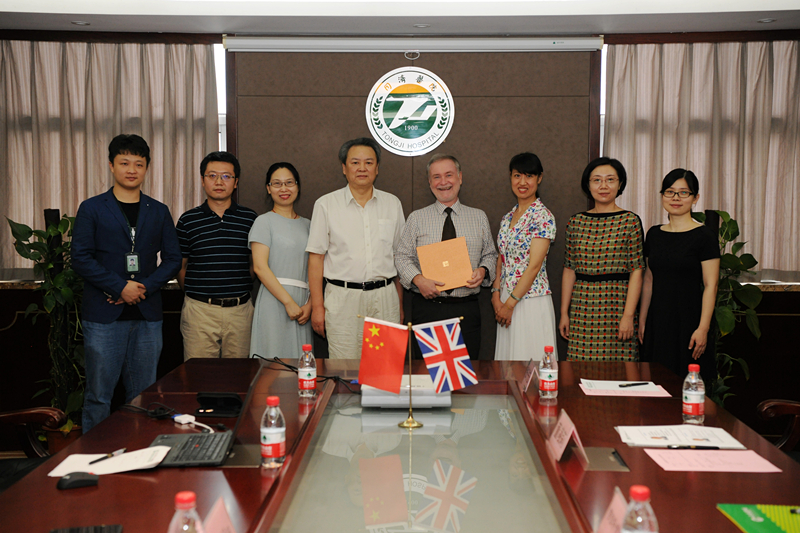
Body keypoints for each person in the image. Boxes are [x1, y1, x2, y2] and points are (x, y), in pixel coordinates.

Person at [72, 134, 182, 433]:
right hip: (103, 316)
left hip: (147, 316)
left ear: (146, 168)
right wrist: (119, 287)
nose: (131, 169)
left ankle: (141, 452)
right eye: (124, 163)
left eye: (138, 164)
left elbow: (173, 259)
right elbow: (80, 258)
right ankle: (94, 455)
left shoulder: (158, 210)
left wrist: (142, 287)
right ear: (111, 165)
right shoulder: (92, 208)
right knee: (99, 396)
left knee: (144, 395)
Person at [306, 138, 405, 359]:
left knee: (384, 366)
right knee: (344, 367)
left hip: (384, 298)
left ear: (377, 168)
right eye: (355, 162)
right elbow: (315, 259)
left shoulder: (392, 204)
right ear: (344, 167)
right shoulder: (325, 205)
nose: (362, 168)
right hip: (343, 300)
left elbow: (399, 257)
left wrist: (398, 303)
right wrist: (318, 307)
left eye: (369, 162)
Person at [395, 154, 497, 359]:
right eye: (436, 177)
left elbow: (490, 255)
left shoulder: (478, 217)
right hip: (428, 310)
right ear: (429, 182)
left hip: (466, 310)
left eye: (449, 175)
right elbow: (402, 256)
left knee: (464, 375)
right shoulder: (416, 218)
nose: (443, 182)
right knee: (428, 374)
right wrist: (418, 280)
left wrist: (483, 270)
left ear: (460, 177)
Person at [559, 157, 644, 362]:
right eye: (597, 180)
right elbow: (569, 270)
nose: (603, 186)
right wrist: (564, 313)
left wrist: (628, 315)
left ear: (620, 184)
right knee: (579, 370)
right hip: (582, 309)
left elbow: (637, 270)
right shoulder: (576, 222)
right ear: (588, 185)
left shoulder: (630, 221)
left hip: (617, 307)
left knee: (620, 371)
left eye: (610, 180)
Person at [639, 169, 720, 384]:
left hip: (689, 321)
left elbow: (711, 285)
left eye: (684, 192)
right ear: (662, 196)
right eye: (670, 192)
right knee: (655, 383)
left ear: (695, 198)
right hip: (658, 320)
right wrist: (643, 319)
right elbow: (649, 279)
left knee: (687, 384)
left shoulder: (705, 236)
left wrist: (703, 328)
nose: (676, 198)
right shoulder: (654, 234)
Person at [176, 151, 257, 360]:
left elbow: (254, 265)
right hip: (200, 311)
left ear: (236, 182)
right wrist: (200, 294)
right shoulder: (187, 220)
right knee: (199, 375)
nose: (219, 182)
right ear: (203, 180)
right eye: (212, 175)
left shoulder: (250, 219)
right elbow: (180, 266)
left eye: (226, 176)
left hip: (240, 312)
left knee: (240, 375)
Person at [492, 153, 558, 361]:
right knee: (508, 367)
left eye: (529, 176)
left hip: (530, 301)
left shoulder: (543, 216)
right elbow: (502, 257)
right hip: (505, 300)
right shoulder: (507, 217)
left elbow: (534, 266)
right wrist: (496, 294)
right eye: (517, 175)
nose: (522, 182)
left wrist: (509, 304)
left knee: (530, 364)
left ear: (539, 178)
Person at [249, 163, 312, 359]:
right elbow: (260, 267)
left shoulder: (309, 225)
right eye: (277, 184)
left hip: (303, 305)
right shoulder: (263, 222)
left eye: (289, 183)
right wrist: (288, 302)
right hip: (274, 301)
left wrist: (310, 304)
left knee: (300, 362)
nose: (284, 189)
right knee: (272, 362)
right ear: (268, 189)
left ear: (297, 186)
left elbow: (316, 268)